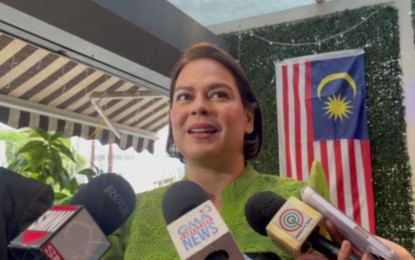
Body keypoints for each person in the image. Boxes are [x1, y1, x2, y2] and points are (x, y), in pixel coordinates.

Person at [104, 42, 413, 259]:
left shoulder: (295, 200)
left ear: (249, 118)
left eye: (218, 94)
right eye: (185, 97)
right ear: (172, 117)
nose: (199, 106)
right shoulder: (131, 213)